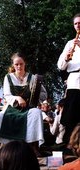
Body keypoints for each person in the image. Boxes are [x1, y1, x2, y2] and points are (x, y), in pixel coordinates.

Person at [0, 52, 47, 160]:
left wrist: (35, 94)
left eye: (21, 64)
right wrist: (17, 98)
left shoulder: (32, 78)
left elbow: (44, 94)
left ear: (25, 63)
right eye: (16, 64)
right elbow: (7, 95)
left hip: (28, 108)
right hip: (13, 107)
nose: (19, 66)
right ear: (13, 65)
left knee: (37, 113)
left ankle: (34, 146)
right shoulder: (8, 77)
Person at [57, 13, 80, 145]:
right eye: (76, 23)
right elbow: (60, 65)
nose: (78, 26)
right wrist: (66, 58)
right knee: (70, 116)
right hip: (73, 82)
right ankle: (70, 146)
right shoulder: (70, 43)